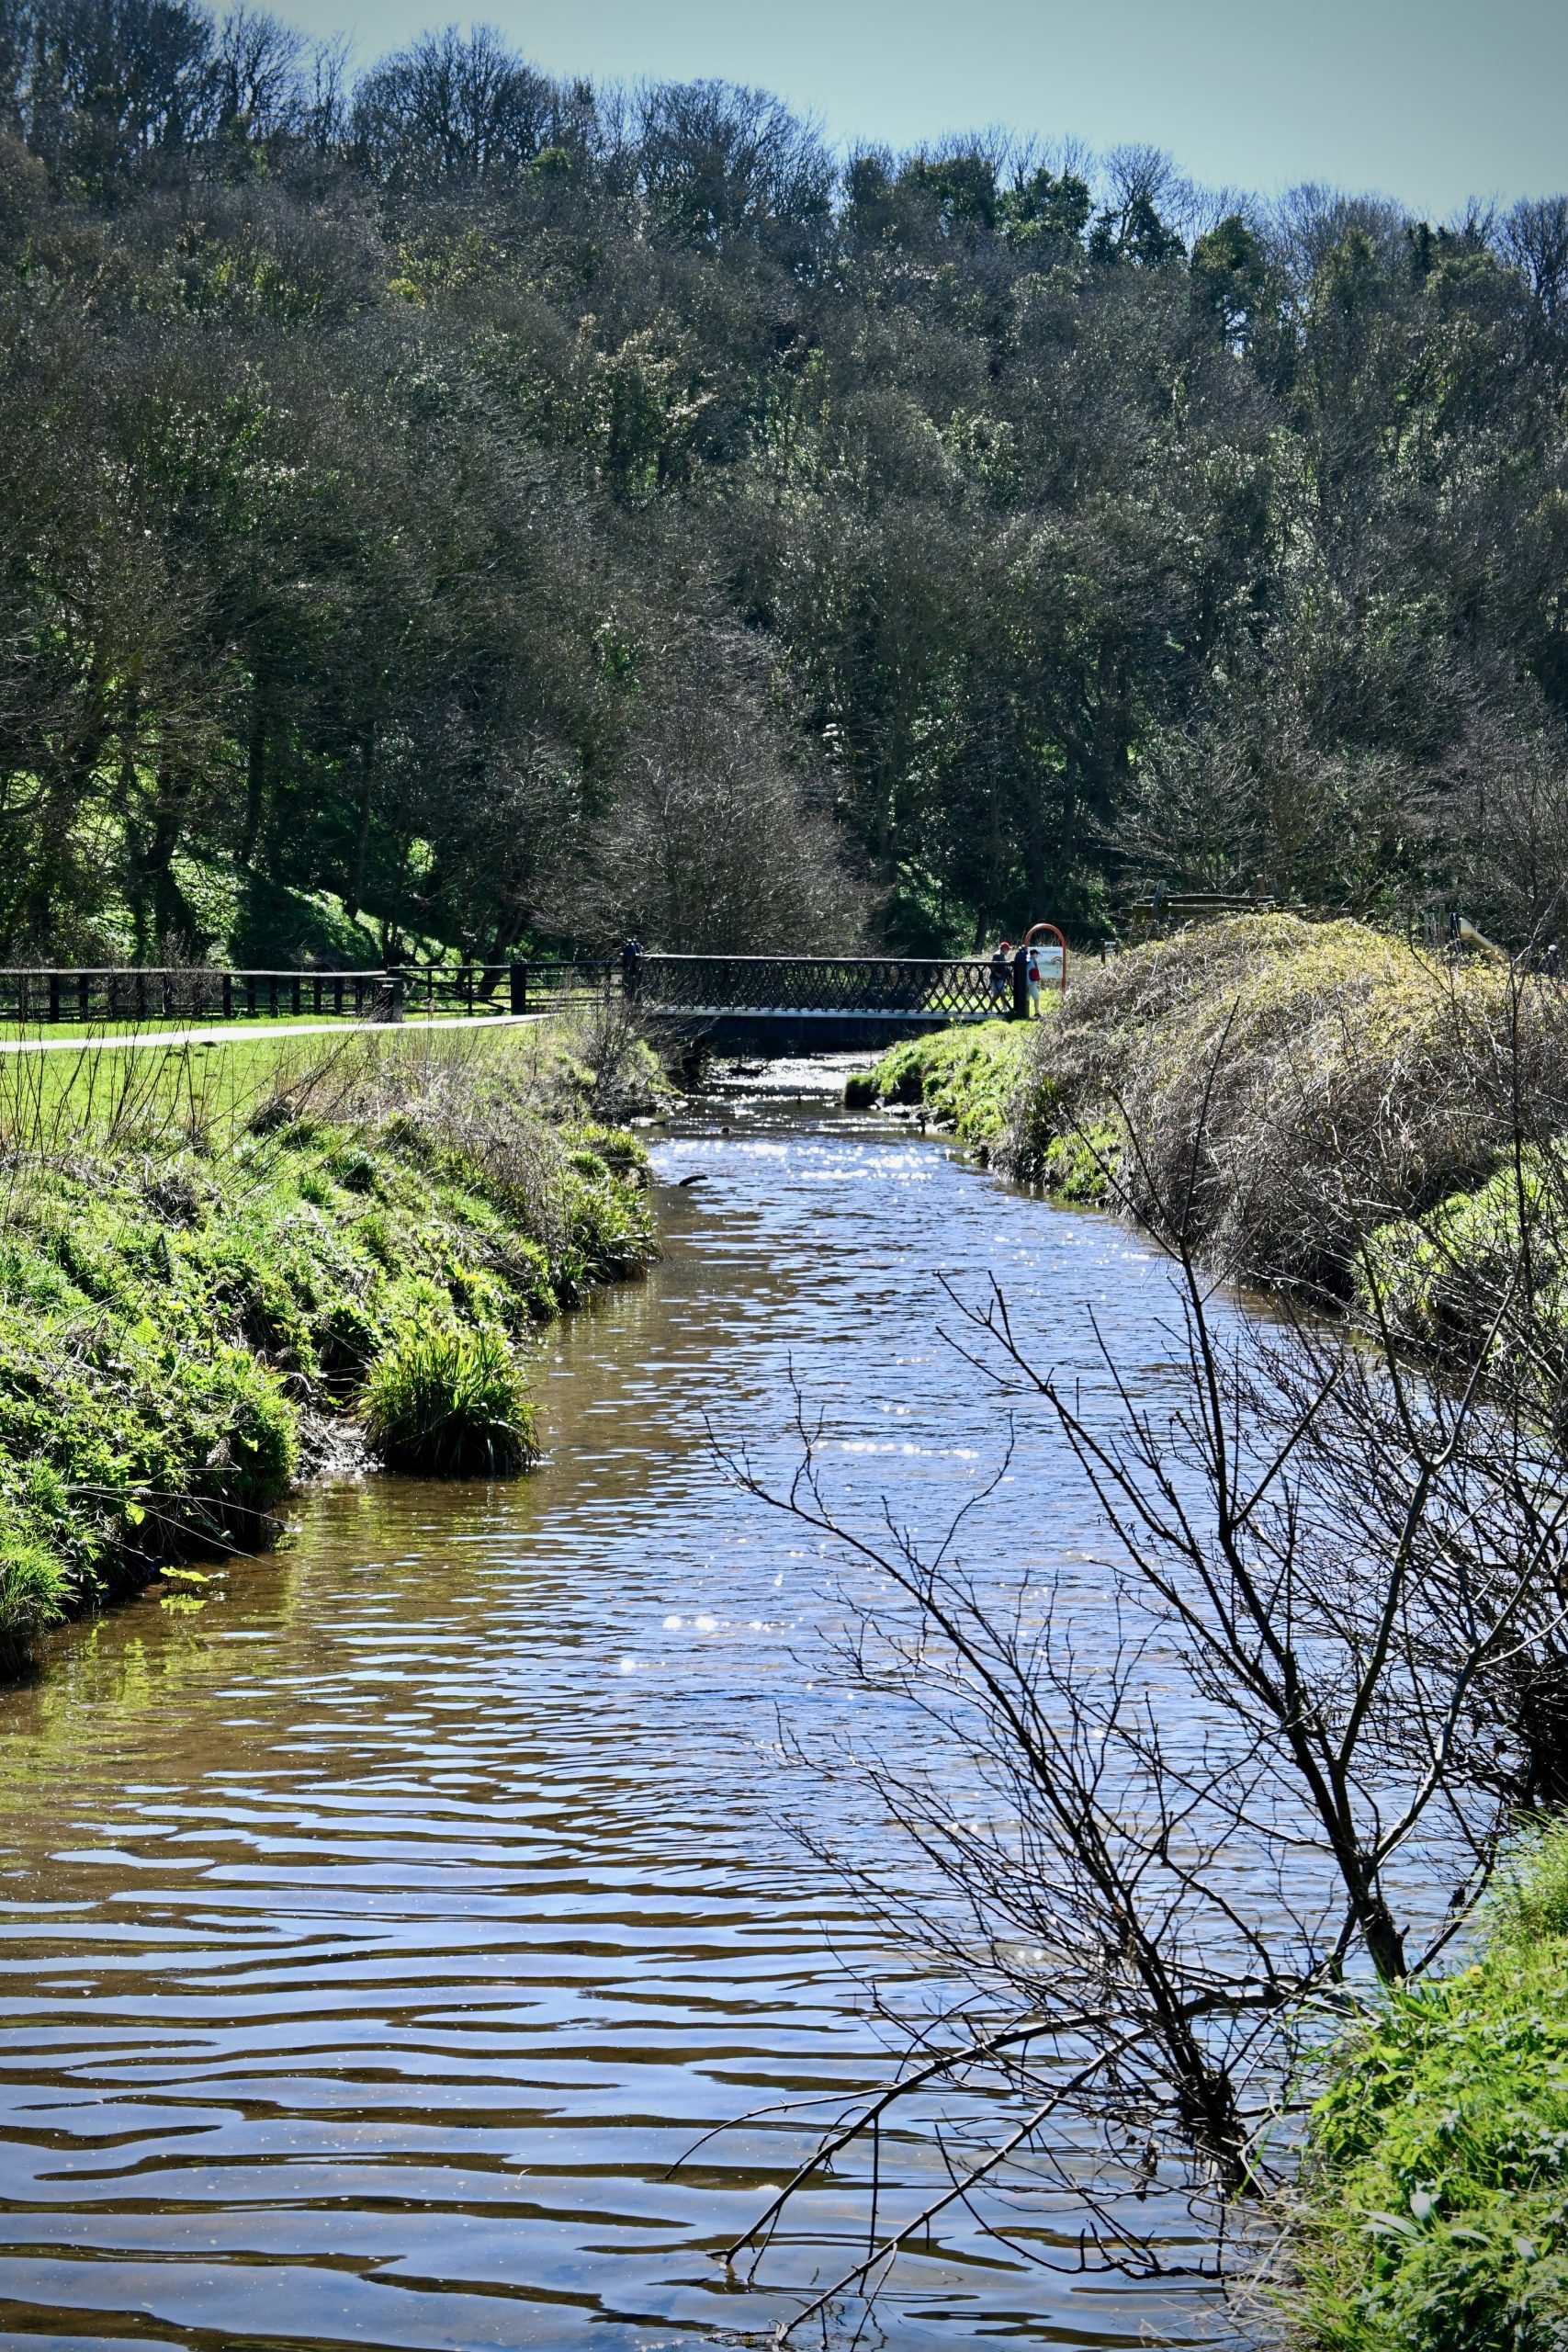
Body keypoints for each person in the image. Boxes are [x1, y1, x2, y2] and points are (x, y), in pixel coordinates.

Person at [989, 940, 1010, 1007]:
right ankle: (990, 1009)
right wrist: (996, 973)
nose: (1008, 951)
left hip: (1000, 978)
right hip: (996, 978)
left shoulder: (1001, 955)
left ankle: (1004, 1008)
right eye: (1008, 949)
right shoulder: (997, 955)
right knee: (997, 994)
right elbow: (991, 965)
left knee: (1001, 994)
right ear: (1004, 949)